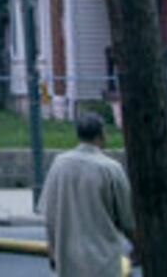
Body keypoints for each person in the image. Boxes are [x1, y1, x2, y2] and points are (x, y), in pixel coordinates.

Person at [41, 112, 135, 276]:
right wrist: (138, 246)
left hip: (68, 261)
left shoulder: (59, 164)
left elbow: (50, 215)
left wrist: (52, 250)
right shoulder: (111, 169)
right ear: (101, 134)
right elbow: (127, 219)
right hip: (104, 261)